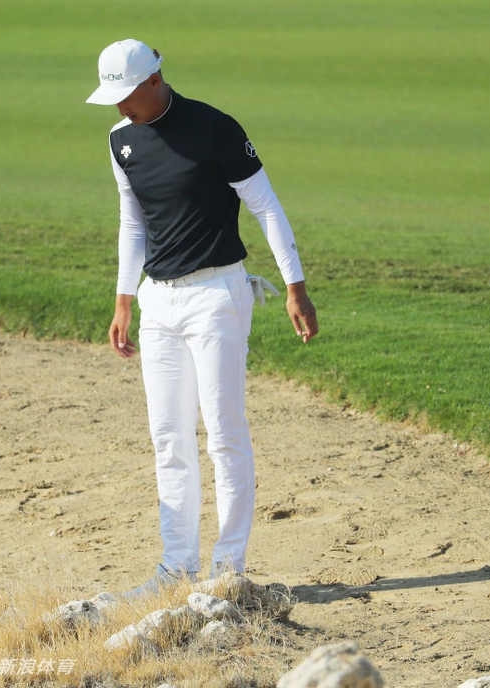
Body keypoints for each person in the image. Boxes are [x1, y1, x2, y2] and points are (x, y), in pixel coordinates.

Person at [85, 40, 318, 593]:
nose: (120, 107)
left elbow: (266, 206)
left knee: (223, 432)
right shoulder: (120, 140)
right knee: (168, 436)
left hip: (218, 293)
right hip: (158, 301)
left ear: (154, 80)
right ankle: (177, 565)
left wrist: (295, 286)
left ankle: (227, 568)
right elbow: (133, 221)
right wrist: (124, 296)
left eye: (126, 95)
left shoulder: (215, 128)